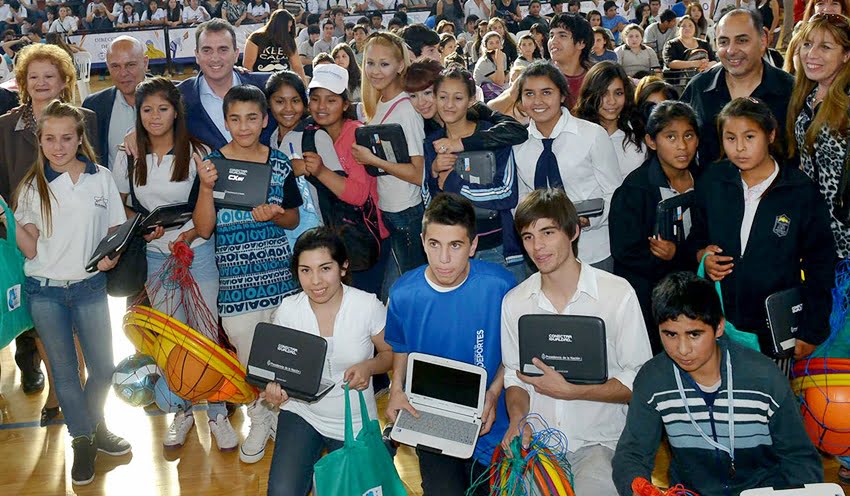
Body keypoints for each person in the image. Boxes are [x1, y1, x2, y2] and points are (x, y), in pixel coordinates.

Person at [612, 272, 825, 495]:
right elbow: (632, 454)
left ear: (719, 327)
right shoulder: (653, 379)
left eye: (694, 334)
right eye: (671, 334)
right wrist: (638, 489)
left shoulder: (764, 378)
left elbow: (800, 459)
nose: (682, 349)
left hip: (763, 490)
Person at [9, 100, 131, 486]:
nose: (58, 147)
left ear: (80, 139)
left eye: (66, 138)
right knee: (64, 373)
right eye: (49, 139)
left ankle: (94, 426)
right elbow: (29, 249)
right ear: (40, 142)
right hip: (45, 293)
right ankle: (82, 439)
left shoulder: (101, 178)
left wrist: (112, 255)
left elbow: (115, 229)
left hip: (90, 287)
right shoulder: (32, 186)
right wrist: (9, 220)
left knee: (104, 368)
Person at [500, 188, 652, 494]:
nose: (537, 246)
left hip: (601, 444)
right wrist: (518, 419)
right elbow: (514, 376)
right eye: (528, 236)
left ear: (573, 231)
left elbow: (640, 381)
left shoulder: (616, 293)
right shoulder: (515, 302)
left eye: (547, 232)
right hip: (540, 443)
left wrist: (573, 391)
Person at [111, 76, 235, 450]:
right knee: (174, 339)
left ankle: (216, 411)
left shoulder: (197, 152)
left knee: (206, 334)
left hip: (197, 254)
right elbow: (124, 204)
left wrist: (190, 235)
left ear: (176, 111)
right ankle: (182, 412)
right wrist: (140, 228)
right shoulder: (128, 155)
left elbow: (207, 215)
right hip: (154, 257)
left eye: (162, 108)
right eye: (147, 109)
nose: (154, 116)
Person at [192, 85, 303, 464]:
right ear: (225, 122)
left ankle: (266, 419)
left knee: (282, 358)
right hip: (236, 285)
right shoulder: (212, 166)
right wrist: (207, 188)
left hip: (278, 280)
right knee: (248, 362)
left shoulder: (279, 163)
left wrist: (276, 213)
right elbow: (204, 229)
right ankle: (262, 410)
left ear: (264, 120)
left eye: (252, 118)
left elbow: (293, 217)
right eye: (235, 119)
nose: (244, 126)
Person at [385, 193, 514, 495]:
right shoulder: (403, 293)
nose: (443, 259)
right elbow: (400, 347)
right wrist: (396, 390)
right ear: (422, 240)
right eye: (434, 245)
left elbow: (515, 355)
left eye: (455, 246)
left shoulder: (501, 286)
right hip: (429, 416)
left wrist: (494, 393)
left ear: (473, 245)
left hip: (489, 418)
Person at [687, 98, 834, 362]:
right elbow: (696, 236)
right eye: (730, 138)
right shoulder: (713, 180)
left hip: (775, 324)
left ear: (771, 135)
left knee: (772, 396)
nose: (739, 148)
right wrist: (701, 256)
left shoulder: (800, 192)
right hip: (720, 322)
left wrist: (812, 330)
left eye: (750, 136)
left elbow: (820, 264)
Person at [0, 43, 98, 424]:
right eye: (33, 76)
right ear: (22, 82)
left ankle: (74, 384)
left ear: (64, 81)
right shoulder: (6, 126)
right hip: (23, 238)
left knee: (71, 315)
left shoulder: (85, 118)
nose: (41, 83)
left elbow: (94, 175)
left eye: (49, 76)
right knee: (38, 318)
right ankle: (62, 384)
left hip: (73, 237)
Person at [263, 227, 393, 496]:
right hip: (302, 412)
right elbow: (275, 370)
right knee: (281, 491)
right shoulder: (288, 310)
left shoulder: (367, 305)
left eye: (325, 268)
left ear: (343, 267)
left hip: (354, 417)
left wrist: (369, 366)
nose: (315, 281)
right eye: (305, 271)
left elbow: (389, 355)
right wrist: (274, 390)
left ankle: (381, 447)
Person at [512, 61, 622, 271]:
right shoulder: (518, 143)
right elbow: (521, 197)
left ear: (562, 95)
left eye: (546, 92)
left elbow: (615, 192)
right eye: (529, 94)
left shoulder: (592, 135)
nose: (538, 101)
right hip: (542, 253)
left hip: (593, 249)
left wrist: (589, 221)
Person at [609, 101, 698, 354]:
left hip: (696, 296)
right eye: (671, 137)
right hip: (652, 301)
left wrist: (680, 254)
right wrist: (670, 259)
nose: (682, 146)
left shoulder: (706, 180)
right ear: (651, 141)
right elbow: (626, 251)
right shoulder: (634, 190)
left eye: (689, 136)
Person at [422, 67, 522, 279]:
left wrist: (455, 182)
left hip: (494, 247)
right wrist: (432, 171)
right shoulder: (432, 141)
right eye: (442, 97)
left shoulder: (492, 136)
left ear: (470, 100)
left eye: (458, 98)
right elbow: (427, 201)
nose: (449, 105)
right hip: (451, 252)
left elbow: (506, 194)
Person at [353, 31, 427, 298]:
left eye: (384, 64)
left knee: (409, 293)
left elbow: (419, 174)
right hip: (391, 211)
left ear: (400, 66)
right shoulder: (381, 102)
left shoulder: (405, 109)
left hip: (406, 213)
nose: (375, 71)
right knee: (395, 294)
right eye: (370, 63)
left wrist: (372, 160)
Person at [301, 63, 387, 294]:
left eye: (331, 100)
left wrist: (320, 171)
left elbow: (359, 195)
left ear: (345, 104)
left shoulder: (356, 134)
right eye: (316, 99)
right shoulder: (310, 132)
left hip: (366, 240)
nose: (321, 107)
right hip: (336, 241)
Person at [681, 9, 794, 169]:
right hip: (712, 192)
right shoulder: (699, 87)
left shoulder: (791, 91)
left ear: (763, 41)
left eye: (742, 40)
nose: (731, 51)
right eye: (723, 42)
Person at [789, 13, 850, 260]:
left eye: (825, 46)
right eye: (807, 44)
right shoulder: (806, 96)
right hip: (817, 238)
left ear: (846, 55)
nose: (811, 54)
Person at [264, 70, 322, 247]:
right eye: (279, 101)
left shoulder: (314, 136)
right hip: (285, 232)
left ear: (304, 104)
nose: (288, 109)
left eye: (295, 101)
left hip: (318, 229)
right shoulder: (272, 139)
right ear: (268, 103)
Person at [83, 36, 148, 169]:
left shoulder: (173, 97)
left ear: (145, 63)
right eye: (115, 66)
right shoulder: (93, 106)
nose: (123, 73)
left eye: (130, 65)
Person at [575, 61, 648, 177]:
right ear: (591, 95)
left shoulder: (638, 130)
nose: (612, 101)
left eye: (618, 93)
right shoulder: (575, 134)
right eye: (604, 94)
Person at [243, 9, 305, 80]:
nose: (289, 30)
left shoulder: (288, 39)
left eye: (290, 27)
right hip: (260, 80)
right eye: (287, 27)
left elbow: (297, 66)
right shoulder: (256, 38)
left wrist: (304, 87)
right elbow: (248, 66)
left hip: (282, 81)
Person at [473, 31, 508, 101]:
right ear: (486, 45)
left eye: (497, 42)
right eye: (491, 43)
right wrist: (499, 63)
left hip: (497, 89)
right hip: (484, 94)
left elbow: (503, 77)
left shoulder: (502, 55)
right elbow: (499, 82)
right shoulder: (484, 61)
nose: (495, 46)